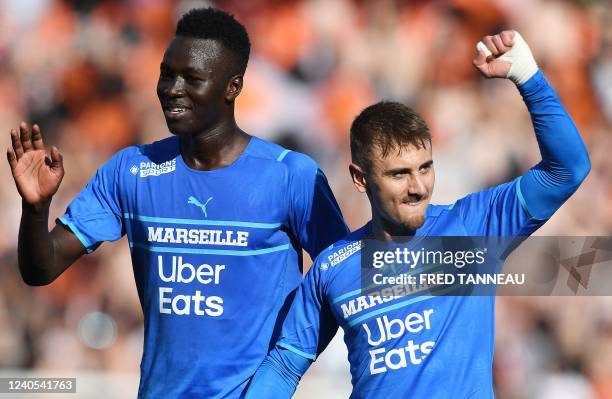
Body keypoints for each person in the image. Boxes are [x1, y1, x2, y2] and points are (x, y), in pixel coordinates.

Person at [6, 7, 348, 399]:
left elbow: (342, 282)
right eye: (167, 74)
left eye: (192, 78)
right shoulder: (131, 171)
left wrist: (283, 370)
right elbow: (40, 269)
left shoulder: (292, 177)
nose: (173, 88)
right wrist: (36, 208)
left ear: (232, 87)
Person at [245, 30, 591, 398]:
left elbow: (568, 169)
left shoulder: (473, 227)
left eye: (425, 168)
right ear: (360, 179)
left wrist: (528, 78)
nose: (418, 187)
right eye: (399, 174)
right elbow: (284, 365)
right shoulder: (333, 266)